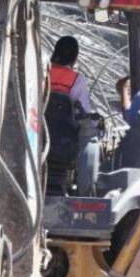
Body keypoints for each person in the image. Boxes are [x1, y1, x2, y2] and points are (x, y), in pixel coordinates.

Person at [45, 36, 93, 181]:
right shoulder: (76, 80)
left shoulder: (42, 72)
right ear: (74, 58)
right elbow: (85, 114)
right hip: (63, 144)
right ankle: (83, 184)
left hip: (35, 137)